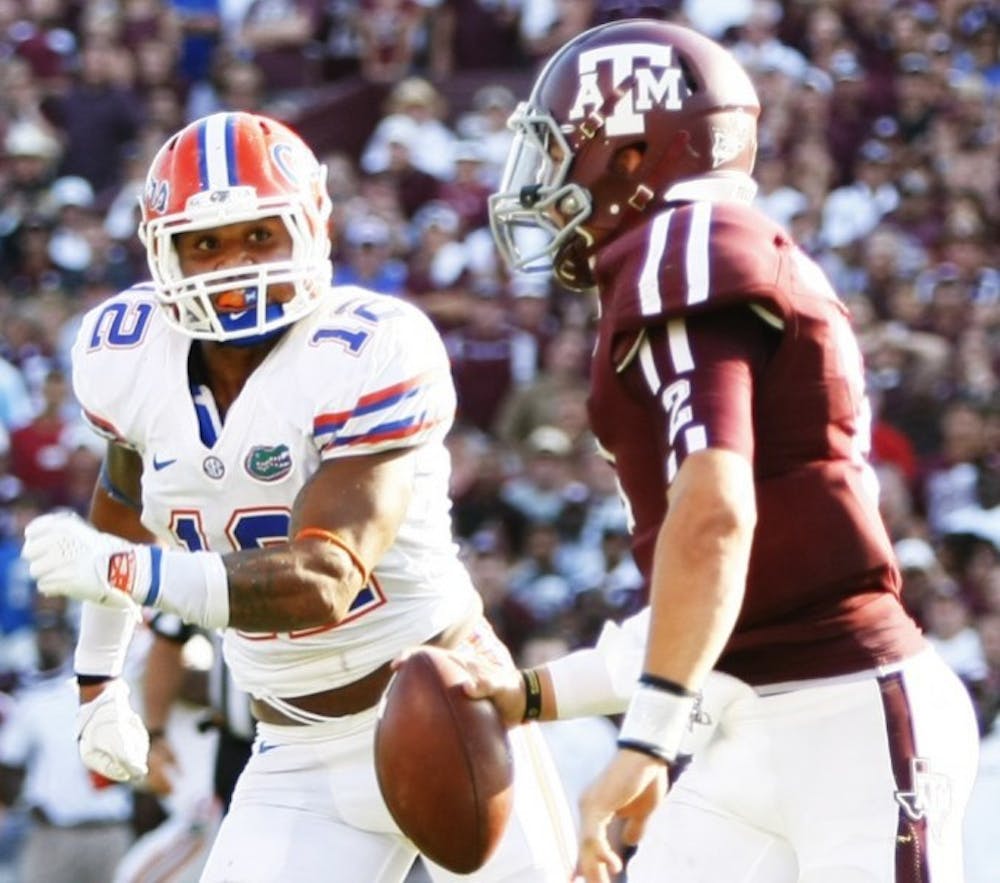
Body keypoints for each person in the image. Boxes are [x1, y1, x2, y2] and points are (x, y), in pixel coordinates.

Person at [473, 19, 980, 883]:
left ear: (629, 156)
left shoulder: (684, 246)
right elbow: (713, 586)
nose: (542, 176)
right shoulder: (683, 254)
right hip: (754, 721)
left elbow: (714, 519)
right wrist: (526, 695)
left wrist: (646, 743)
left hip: (850, 719)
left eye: (561, 147)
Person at [20, 110, 576, 882]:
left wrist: (126, 574)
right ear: (162, 250)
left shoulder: (369, 347)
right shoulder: (128, 354)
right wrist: (97, 679)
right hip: (293, 747)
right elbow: (124, 503)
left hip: (446, 705)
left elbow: (323, 577)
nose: (232, 263)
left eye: (258, 234)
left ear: (309, 227)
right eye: (204, 243)